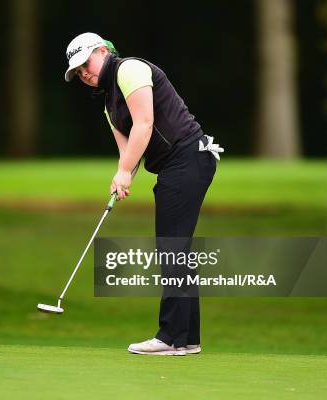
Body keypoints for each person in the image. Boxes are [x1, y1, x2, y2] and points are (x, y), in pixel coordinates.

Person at [64, 32, 223, 356]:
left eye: (86, 64)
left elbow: (145, 124)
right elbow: (129, 152)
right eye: (78, 72)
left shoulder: (129, 69)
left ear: (103, 51)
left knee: (171, 248)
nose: (84, 73)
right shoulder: (109, 103)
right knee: (177, 249)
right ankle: (187, 338)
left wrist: (124, 171)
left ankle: (170, 337)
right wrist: (122, 177)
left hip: (189, 158)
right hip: (174, 167)